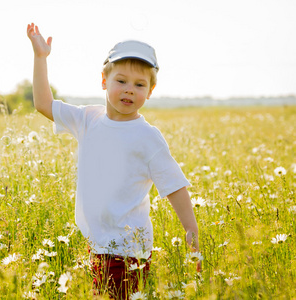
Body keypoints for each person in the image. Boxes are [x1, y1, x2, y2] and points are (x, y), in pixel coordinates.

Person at [27, 23, 201, 299]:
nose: (129, 90)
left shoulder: (147, 137)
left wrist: (191, 231)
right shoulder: (87, 119)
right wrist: (40, 58)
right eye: (121, 81)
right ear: (104, 80)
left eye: (140, 84)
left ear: (151, 91)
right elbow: (43, 104)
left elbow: (174, 186)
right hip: (98, 243)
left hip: (128, 248)